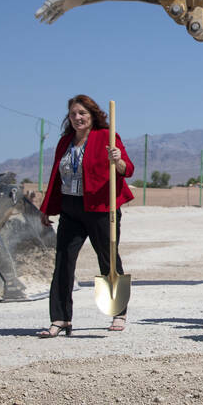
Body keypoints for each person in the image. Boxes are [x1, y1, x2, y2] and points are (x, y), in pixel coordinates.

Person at [37, 95, 134, 336]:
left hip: (101, 208)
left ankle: (118, 311)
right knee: (63, 262)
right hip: (71, 208)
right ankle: (60, 318)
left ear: (92, 116)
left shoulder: (106, 136)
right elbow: (55, 176)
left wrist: (117, 160)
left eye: (82, 113)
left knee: (108, 259)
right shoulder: (65, 142)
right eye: (73, 114)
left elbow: (127, 170)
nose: (77, 118)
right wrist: (46, 208)